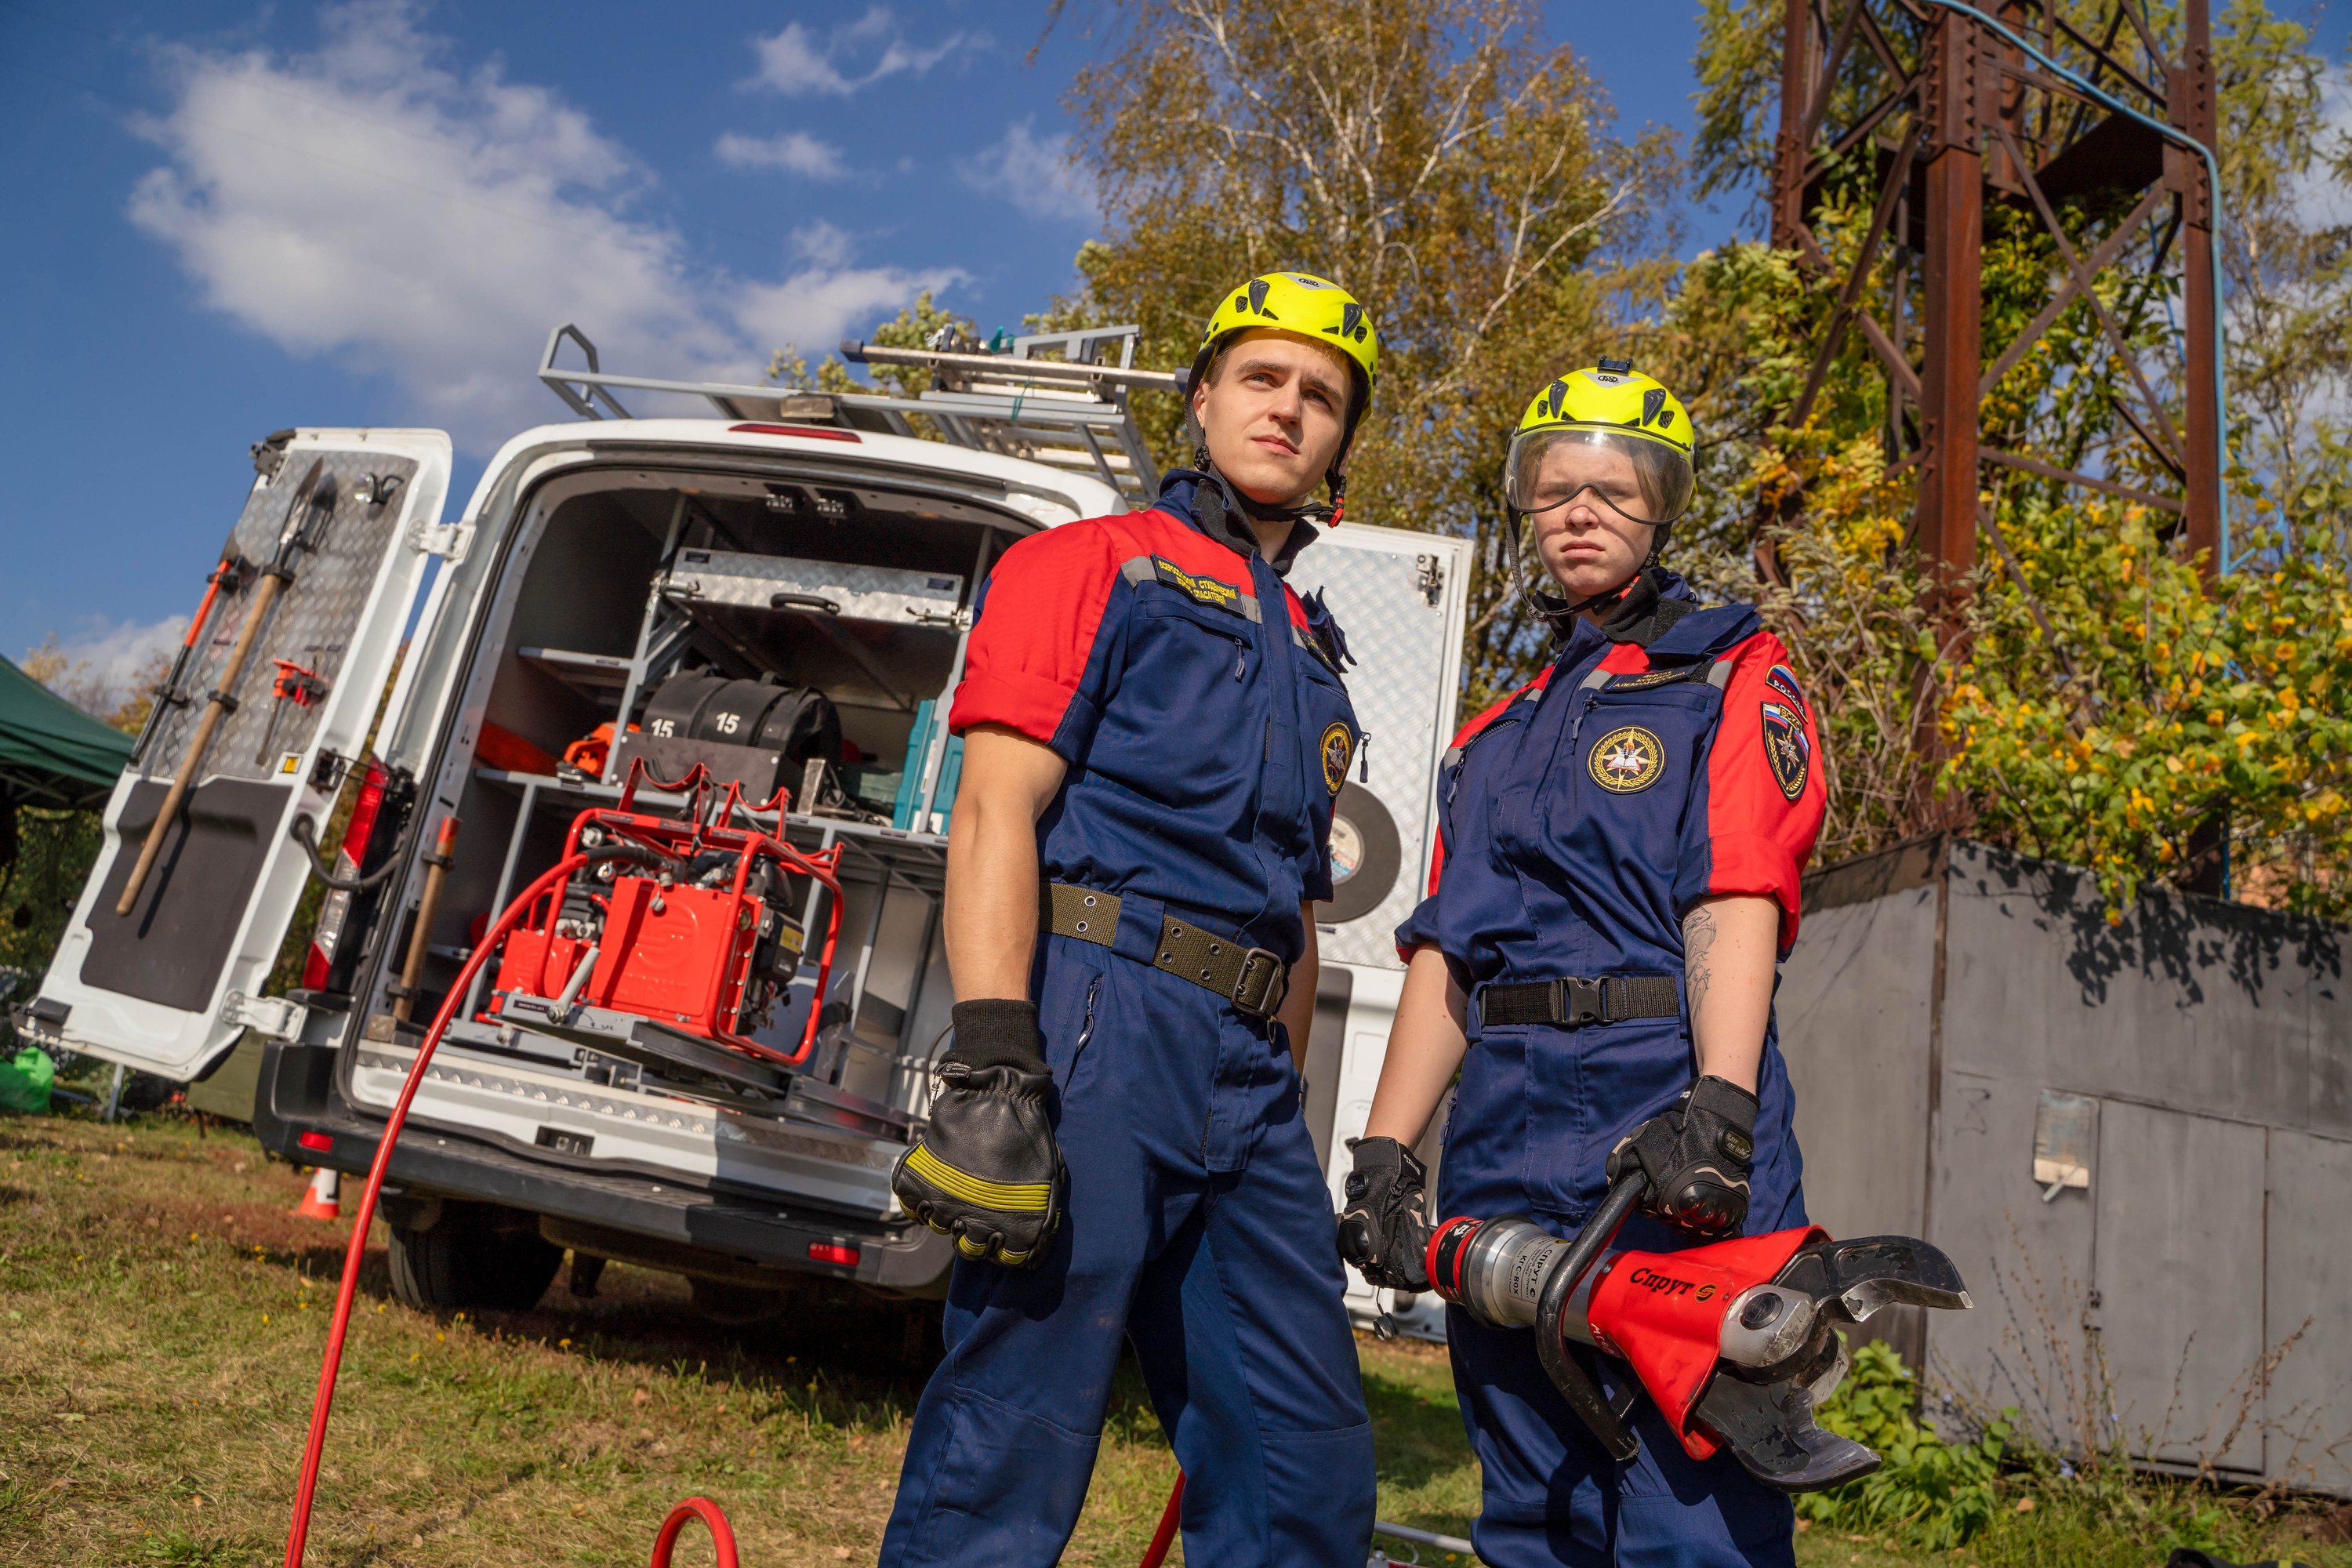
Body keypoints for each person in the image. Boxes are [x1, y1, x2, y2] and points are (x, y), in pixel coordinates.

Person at [879, 272, 1381, 1568]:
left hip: (1247, 1068)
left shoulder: (1318, 661)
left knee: (1303, 1449)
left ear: (1339, 444)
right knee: (1021, 1414)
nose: (1289, 410)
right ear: (1203, 398)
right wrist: (997, 1050)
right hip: (1103, 1016)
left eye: (1321, 397)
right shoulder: (1093, 565)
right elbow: (994, 811)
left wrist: (1290, 1096)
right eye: (1262, 379)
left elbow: (1303, 906)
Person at [1338, 362, 1828, 1567]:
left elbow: (1736, 895)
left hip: (1656, 1113)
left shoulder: (1731, 676)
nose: (1580, 512)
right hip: (1507, 1126)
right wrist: (1389, 1152)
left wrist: (1720, 1108)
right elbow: (1451, 948)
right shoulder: (1493, 735)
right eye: (1554, 490)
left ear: (1662, 507)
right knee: (1531, 1507)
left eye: (1613, 489)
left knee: (1690, 1512)